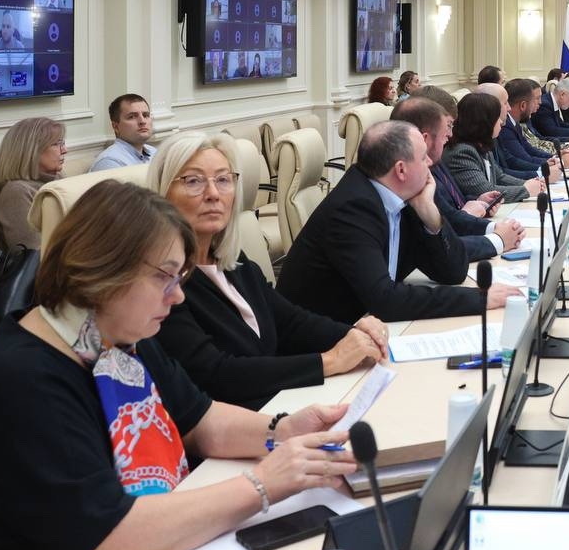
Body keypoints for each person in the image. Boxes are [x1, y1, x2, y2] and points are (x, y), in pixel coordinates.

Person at [0, 180, 359, 550]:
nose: (178, 296)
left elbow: (202, 419)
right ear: (102, 271)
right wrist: (262, 485)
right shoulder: (22, 380)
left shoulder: (113, 337)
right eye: (164, 277)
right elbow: (107, 539)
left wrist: (282, 430)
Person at [148, 132, 390, 410]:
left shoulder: (232, 261)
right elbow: (215, 374)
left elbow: (290, 322)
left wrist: (356, 335)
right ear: (163, 194)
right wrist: (330, 361)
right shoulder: (163, 283)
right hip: (236, 425)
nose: (213, 194)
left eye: (223, 180)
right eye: (193, 181)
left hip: (281, 404)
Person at [277, 120, 517, 323]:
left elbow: (453, 271)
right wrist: (479, 298)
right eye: (423, 158)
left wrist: (431, 217)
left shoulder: (405, 196)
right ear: (401, 170)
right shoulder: (353, 209)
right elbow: (386, 301)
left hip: (370, 326)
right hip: (324, 342)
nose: (430, 163)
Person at [391, 97, 525, 261]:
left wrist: (478, 202)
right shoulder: (416, 178)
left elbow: (450, 211)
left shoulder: (432, 164)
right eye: (448, 126)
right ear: (424, 139)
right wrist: (498, 238)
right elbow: (440, 246)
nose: (450, 134)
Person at [445, 92, 545, 204]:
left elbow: (499, 177)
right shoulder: (461, 153)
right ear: (484, 123)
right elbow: (486, 191)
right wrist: (525, 190)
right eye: (497, 118)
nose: (501, 122)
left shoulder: (482, 146)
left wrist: (529, 183)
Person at [0, 117, 66, 250]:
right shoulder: (17, 192)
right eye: (56, 144)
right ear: (32, 151)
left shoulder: (58, 178)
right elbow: (33, 252)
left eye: (63, 143)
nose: (65, 150)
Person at [90, 94, 156, 171]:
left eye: (145, 115)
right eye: (132, 117)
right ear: (116, 127)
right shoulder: (110, 162)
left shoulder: (154, 152)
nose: (142, 121)